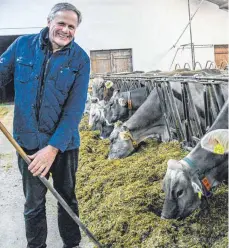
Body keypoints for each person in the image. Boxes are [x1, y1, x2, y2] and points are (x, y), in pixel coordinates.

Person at [0, 2, 90, 248]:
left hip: (64, 145)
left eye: (72, 26)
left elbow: (74, 111)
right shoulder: (22, 46)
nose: (66, 30)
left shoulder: (80, 59)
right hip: (27, 143)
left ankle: (71, 244)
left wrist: (52, 149)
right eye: (61, 23)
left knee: (66, 199)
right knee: (33, 204)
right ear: (49, 21)